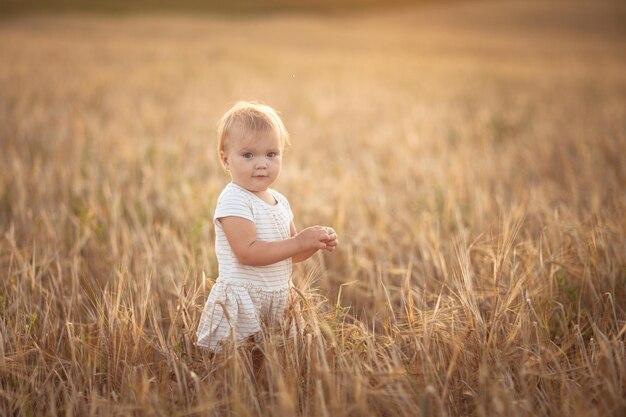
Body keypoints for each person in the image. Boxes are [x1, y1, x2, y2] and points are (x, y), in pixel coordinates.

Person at [196, 101, 338, 352]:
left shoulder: (279, 201)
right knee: (237, 365)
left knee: (274, 365)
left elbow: (291, 254)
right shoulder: (234, 199)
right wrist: (298, 242)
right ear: (225, 159)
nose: (262, 163)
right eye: (248, 155)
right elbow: (248, 252)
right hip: (244, 300)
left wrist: (313, 243)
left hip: (278, 297)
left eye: (271, 154)